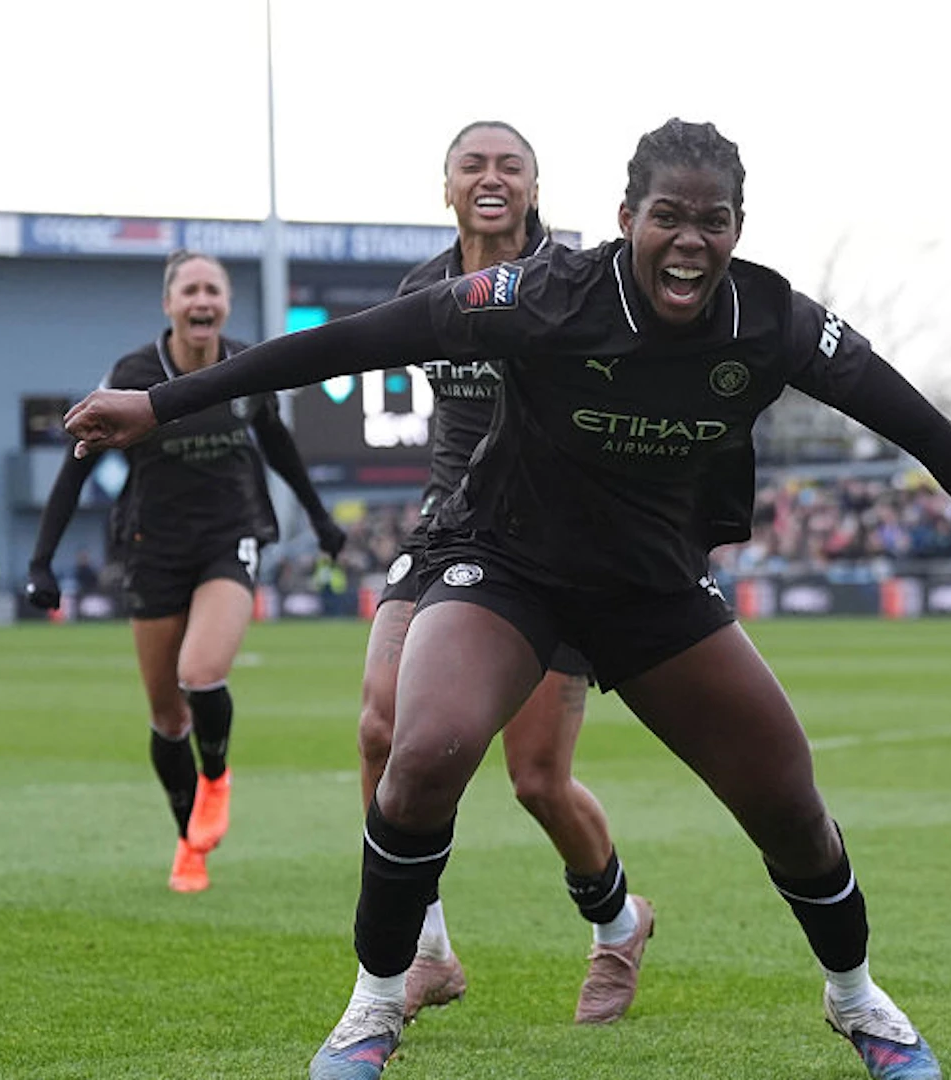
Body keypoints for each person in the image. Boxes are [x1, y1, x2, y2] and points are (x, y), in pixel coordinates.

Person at [63, 117, 951, 1080]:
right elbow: (355, 342)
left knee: (787, 799)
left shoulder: (776, 323)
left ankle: (857, 1000)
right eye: (669, 217)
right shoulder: (545, 294)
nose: (690, 242)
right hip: (506, 563)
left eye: (714, 220)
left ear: (739, 229)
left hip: (652, 587)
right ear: (626, 221)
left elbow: (925, 428)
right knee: (420, 749)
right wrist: (159, 405)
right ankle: (377, 1002)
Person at [363, 120, 655, 1026]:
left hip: (552, 546)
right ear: (445, 185)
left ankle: (618, 924)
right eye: (472, 165)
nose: (491, 178)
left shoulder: (574, 286)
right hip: (448, 530)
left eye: (510, 167)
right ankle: (429, 952)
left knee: (535, 778)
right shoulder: (422, 288)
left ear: (535, 188)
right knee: (383, 724)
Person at [27, 249, 346, 893]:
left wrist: (319, 518)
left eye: (214, 291)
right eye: (190, 290)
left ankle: (217, 778)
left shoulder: (246, 365)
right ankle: (187, 841)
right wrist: (41, 560)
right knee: (166, 716)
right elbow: (78, 465)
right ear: (169, 303)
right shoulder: (135, 374)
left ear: (226, 303)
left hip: (230, 536)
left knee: (201, 674)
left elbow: (276, 443)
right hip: (152, 546)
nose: (202, 301)